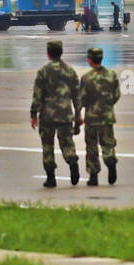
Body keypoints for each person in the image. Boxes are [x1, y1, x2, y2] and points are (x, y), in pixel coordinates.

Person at [30, 39, 81, 187]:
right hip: (65, 114)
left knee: (47, 146)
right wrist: (78, 115)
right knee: (67, 142)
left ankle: (51, 177)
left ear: (48, 54)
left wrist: (34, 114)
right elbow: (77, 96)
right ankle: (72, 162)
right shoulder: (70, 71)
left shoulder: (43, 72)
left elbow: (37, 95)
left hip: (47, 115)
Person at [78, 46, 121, 186]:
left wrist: (80, 113)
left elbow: (82, 99)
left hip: (92, 117)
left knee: (91, 146)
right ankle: (110, 160)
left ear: (90, 60)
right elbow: (116, 95)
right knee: (107, 143)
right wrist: (107, 106)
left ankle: (93, 175)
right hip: (107, 116)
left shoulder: (86, 78)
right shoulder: (111, 75)